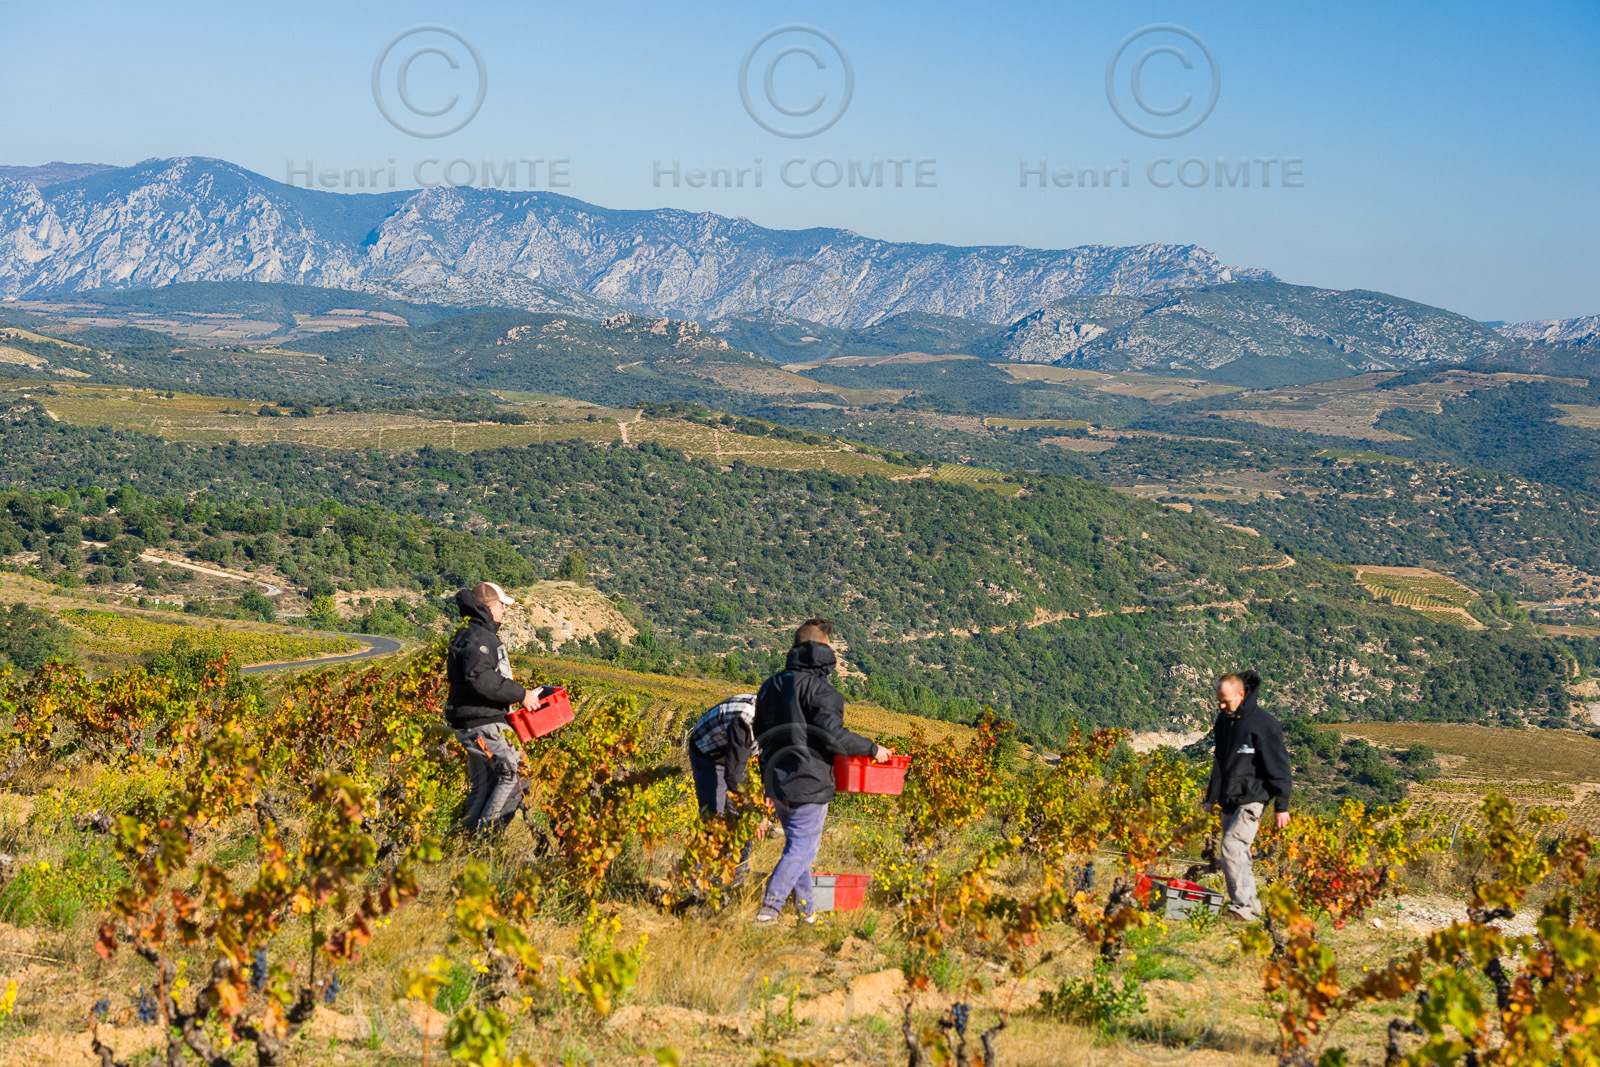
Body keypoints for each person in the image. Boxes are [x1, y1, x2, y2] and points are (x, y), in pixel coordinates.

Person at [752, 618, 890, 924]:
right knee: (803, 849)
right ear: (824, 651)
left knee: (797, 847)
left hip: (776, 780)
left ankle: (806, 913)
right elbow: (834, 737)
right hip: (809, 781)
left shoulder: (771, 685)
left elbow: (759, 732)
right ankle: (769, 910)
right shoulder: (823, 693)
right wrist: (872, 749)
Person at [445, 581, 542, 834]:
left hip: (471, 722)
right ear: (490, 607)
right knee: (516, 775)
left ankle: (462, 841)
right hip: (484, 723)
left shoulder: (470, 633)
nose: (504, 611)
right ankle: (486, 840)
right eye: (502, 605)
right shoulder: (479, 637)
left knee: (485, 784)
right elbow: (481, 678)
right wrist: (521, 694)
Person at [1202, 669, 1292, 921]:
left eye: (1226, 700)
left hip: (1253, 798)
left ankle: (1243, 910)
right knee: (1236, 852)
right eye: (1218, 700)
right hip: (1228, 798)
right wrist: (1211, 797)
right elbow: (1219, 762)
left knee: (1232, 846)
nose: (1221, 705)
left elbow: (1279, 765)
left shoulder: (1263, 724)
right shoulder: (1224, 720)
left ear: (1241, 694)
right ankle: (1249, 908)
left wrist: (1281, 805)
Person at [686, 692, 761, 886]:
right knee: (714, 817)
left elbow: (768, 759)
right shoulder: (746, 719)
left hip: (735, 753)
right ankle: (696, 879)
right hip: (708, 752)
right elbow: (733, 775)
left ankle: (737, 873)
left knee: (741, 814)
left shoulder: (781, 719)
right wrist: (752, 812)